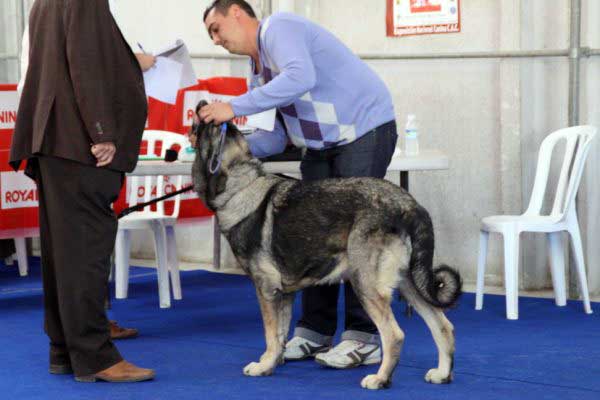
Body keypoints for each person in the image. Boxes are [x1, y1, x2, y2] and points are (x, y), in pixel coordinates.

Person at [199, 0, 398, 369]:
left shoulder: (280, 29)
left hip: (363, 131)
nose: (215, 40)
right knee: (312, 236)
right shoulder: (256, 71)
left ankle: (364, 336)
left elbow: (301, 76)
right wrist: (232, 147)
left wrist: (235, 106)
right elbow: (275, 138)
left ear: (237, 14)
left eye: (216, 28)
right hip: (321, 147)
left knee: (359, 236)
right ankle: (315, 331)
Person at [10, 0, 154, 382]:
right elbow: (86, 62)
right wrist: (103, 131)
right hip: (80, 144)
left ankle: (64, 349)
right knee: (86, 253)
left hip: (57, 142)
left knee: (63, 256)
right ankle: (95, 356)